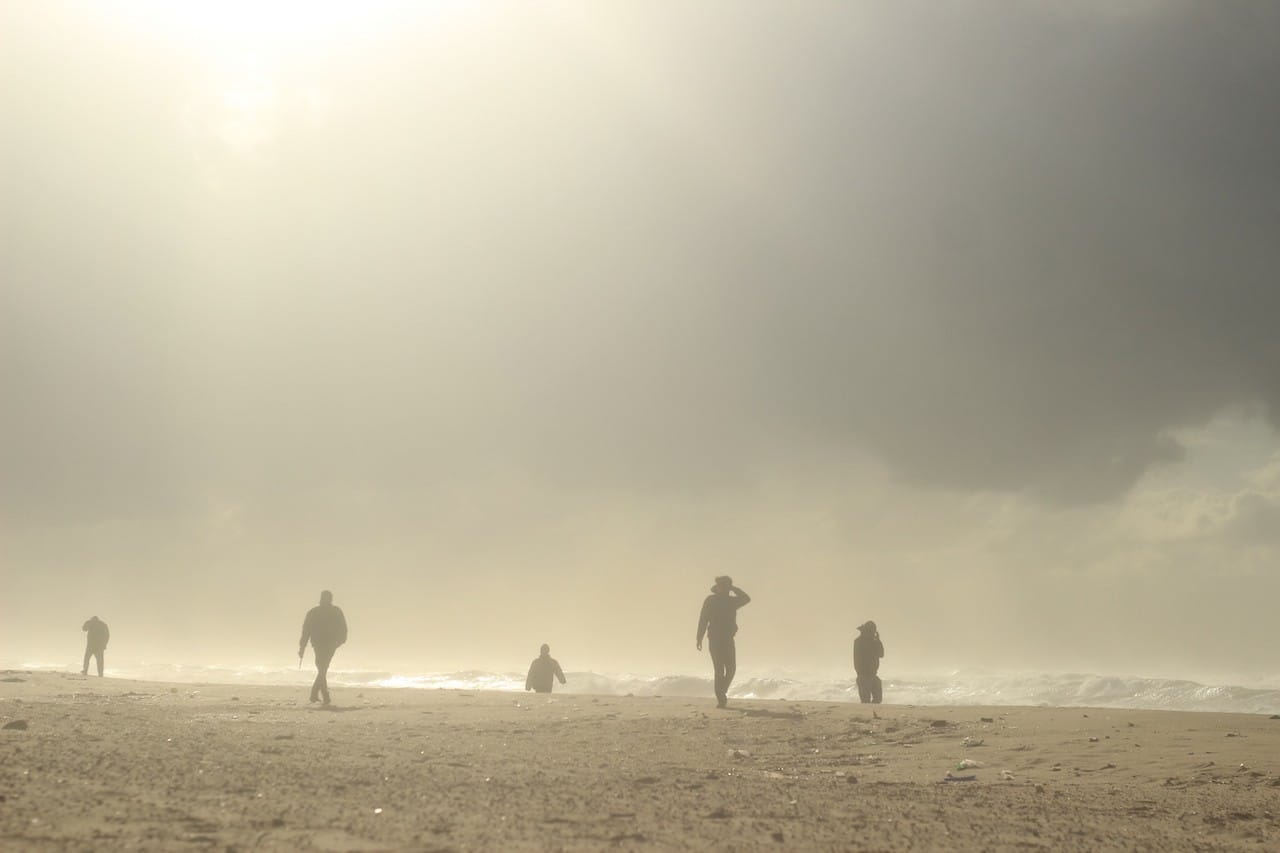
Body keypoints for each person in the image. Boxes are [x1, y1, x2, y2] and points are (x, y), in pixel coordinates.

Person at [696, 576, 750, 708]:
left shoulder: (732, 601)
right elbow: (703, 619)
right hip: (714, 638)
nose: (724, 588)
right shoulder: (711, 600)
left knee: (731, 668)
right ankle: (721, 700)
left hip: (728, 639)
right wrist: (699, 637)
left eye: (726, 586)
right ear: (717, 587)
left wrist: (733, 588)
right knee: (719, 669)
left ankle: (722, 691)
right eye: (722, 585)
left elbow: (746, 599)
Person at [298, 590, 347, 705]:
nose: (327, 600)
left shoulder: (334, 611)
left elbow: (343, 628)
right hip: (319, 644)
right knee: (322, 667)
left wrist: (340, 641)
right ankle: (321, 695)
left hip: (330, 644)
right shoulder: (315, 612)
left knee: (322, 667)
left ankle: (318, 694)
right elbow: (306, 631)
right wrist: (302, 647)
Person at [854, 620, 884, 703]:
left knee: (878, 699)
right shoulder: (859, 642)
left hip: (873, 674)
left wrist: (878, 641)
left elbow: (881, 654)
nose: (873, 633)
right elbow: (859, 659)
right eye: (871, 631)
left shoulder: (873, 642)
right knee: (865, 701)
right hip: (863, 675)